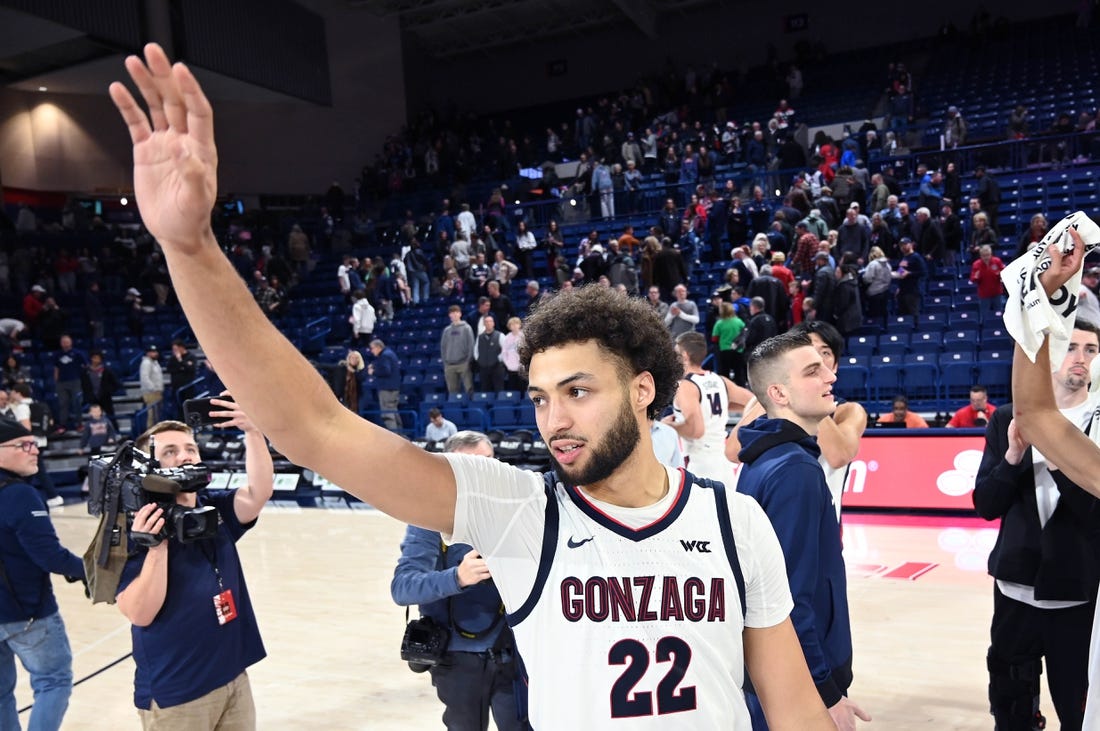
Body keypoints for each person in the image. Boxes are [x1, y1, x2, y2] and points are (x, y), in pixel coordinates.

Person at [110, 45, 835, 729]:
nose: (555, 418)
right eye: (542, 397)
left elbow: (795, 710)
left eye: (578, 391)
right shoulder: (518, 511)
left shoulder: (735, 525)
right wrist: (191, 246)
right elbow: (314, 425)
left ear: (645, 389)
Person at [734, 332, 869, 731]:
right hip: (798, 682)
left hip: (773, 673)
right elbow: (791, 600)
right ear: (779, 392)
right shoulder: (795, 471)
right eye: (813, 370)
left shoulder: (765, 459)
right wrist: (824, 694)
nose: (830, 377)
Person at [974, 320, 1100, 730]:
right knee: (1011, 713)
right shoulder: (1008, 418)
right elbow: (986, 505)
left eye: (1091, 350)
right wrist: (1012, 457)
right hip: (1014, 590)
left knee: (1077, 713)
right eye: (1071, 347)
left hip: (1078, 596)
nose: (1080, 358)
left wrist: (1061, 457)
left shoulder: (1098, 424)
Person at [116, 400, 272, 728]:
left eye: (190, 448)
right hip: (179, 691)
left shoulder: (210, 508)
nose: (185, 455)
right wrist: (156, 548)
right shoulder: (135, 527)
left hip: (233, 677)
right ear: (150, 467)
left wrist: (253, 432)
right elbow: (139, 613)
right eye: (170, 451)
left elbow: (258, 493)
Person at [391, 431, 529, 731]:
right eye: (473, 466)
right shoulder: (429, 518)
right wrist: (457, 577)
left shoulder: (514, 515)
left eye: (489, 464)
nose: (484, 475)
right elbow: (403, 587)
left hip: (513, 657)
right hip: (458, 663)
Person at [728, 321, 867, 525]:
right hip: (766, 520)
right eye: (809, 351)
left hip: (820, 525)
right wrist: (774, 395)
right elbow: (733, 451)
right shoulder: (764, 402)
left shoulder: (849, 411)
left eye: (825, 353)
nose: (817, 359)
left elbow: (839, 456)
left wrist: (813, 401)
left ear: (835, 366)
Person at [0, 418, 84, 731]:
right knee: (54, 681)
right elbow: (51, 556)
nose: (35, 451)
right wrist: (90, 571)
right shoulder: (20, 495)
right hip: (29, 615)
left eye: (36, 444)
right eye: (25, 445)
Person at [663, 332, 751, 484]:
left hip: (701, 464)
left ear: (684, 355)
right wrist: (722, 407)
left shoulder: (686, 386)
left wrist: (669, 426)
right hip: (724, 464)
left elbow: (696, 430)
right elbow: (753, 401)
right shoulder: (719, 380)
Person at [52, 335, 86, 432]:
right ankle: (62, 425)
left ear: (71, 342)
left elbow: (85, 366)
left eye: (67, 341)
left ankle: (79, 424)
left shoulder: (78, 353)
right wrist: (56, 381)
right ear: (61, 343)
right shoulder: (57, 355)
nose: (65, 343)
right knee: (63, 404)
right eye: (63, 342)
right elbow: (56, 368)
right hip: (61, 383)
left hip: (75, 381)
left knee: (77, 403)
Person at [368, 339, 402, 431]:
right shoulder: (390, 353)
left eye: (372, 348)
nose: (371, 351)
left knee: (387, 413)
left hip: (386, 388)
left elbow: (386, 371)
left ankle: (394, 436)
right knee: (393, 411)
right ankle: (400, 434)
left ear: (378, 347)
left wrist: (373, 372)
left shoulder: (384, 355)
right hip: (394, 387)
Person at [440, 305, 474, 396]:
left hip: (463, 363)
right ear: (449, 315)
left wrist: (468, 361)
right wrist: (445, 362)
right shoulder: (447, 330)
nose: (454, 315)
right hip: (449, 365)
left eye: (456, 313)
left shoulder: (467, 328)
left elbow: (471, 345)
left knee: (469, 389)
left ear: (460, 314)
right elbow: (443, 347)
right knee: (452, 391)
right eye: (452, 313)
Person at [139, 345, 164, 426]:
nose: (155, 353)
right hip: (151, 393)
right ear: (148, 353)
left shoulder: (155, 363)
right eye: (153, 352)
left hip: (157, 392)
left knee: (157, 415)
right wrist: (153, 388)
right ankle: (151, 433)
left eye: (155, 352)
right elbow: (145, 378)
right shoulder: (146, 363)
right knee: (152, 415)